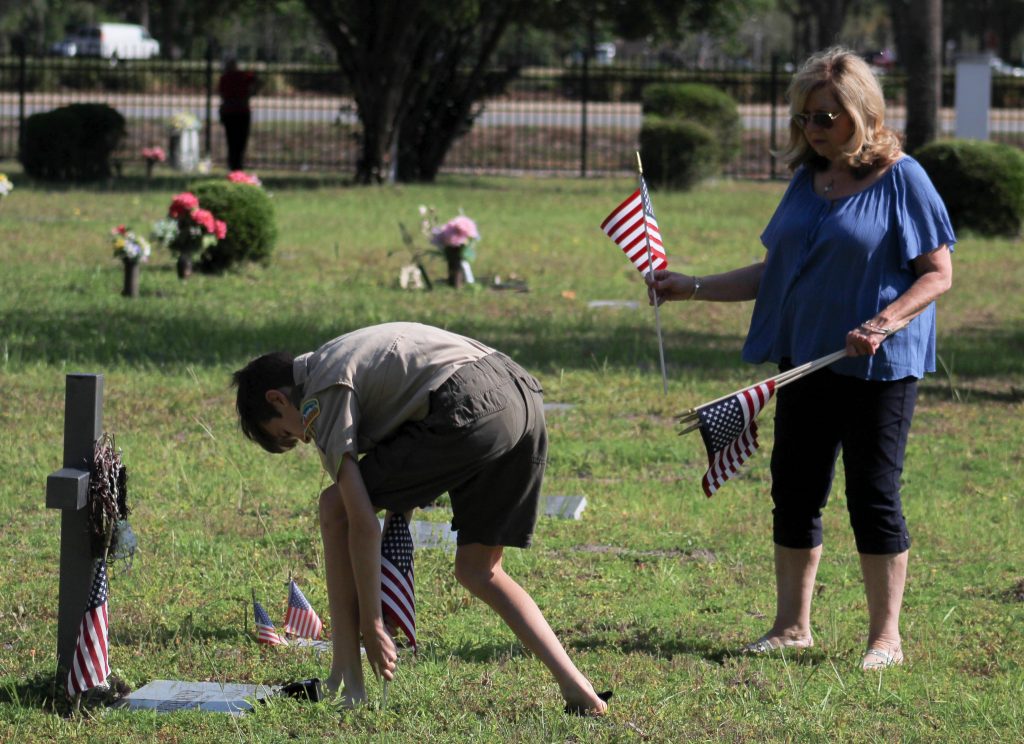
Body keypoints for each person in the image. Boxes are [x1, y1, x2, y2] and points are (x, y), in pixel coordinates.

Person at [647, 47, 954, 671]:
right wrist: (695, 285)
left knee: (872, 495)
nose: (815, 129)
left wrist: (884, 321)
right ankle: (791, 627)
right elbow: (776, 270)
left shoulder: (903, 177)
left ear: (863, 113)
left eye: (829, 116)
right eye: (807, 117)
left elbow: (938, 274)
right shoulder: (807, 179)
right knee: (794, 491)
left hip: (878, 368)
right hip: (805, 362)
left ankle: (885, 638)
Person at [232, 322, 610, 714]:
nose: (306, 440)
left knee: (334, 507)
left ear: (277, 399)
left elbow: (360, 519)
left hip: (468, 401)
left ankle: (345, 679)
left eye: (288, 434)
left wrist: (373, 624)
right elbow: (403, 469)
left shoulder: (321, 391)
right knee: (479, 570)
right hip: (522, 398)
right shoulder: (347, 359)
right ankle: (579, 689)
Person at [218, 58, 258, 171]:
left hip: (229, 111)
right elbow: (254, 84)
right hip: (241, 111)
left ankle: (233, 164)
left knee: (231, 141)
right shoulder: (244, 75)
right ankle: (237, 164)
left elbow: (222, 93)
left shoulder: (225, 77)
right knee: (241, 140)